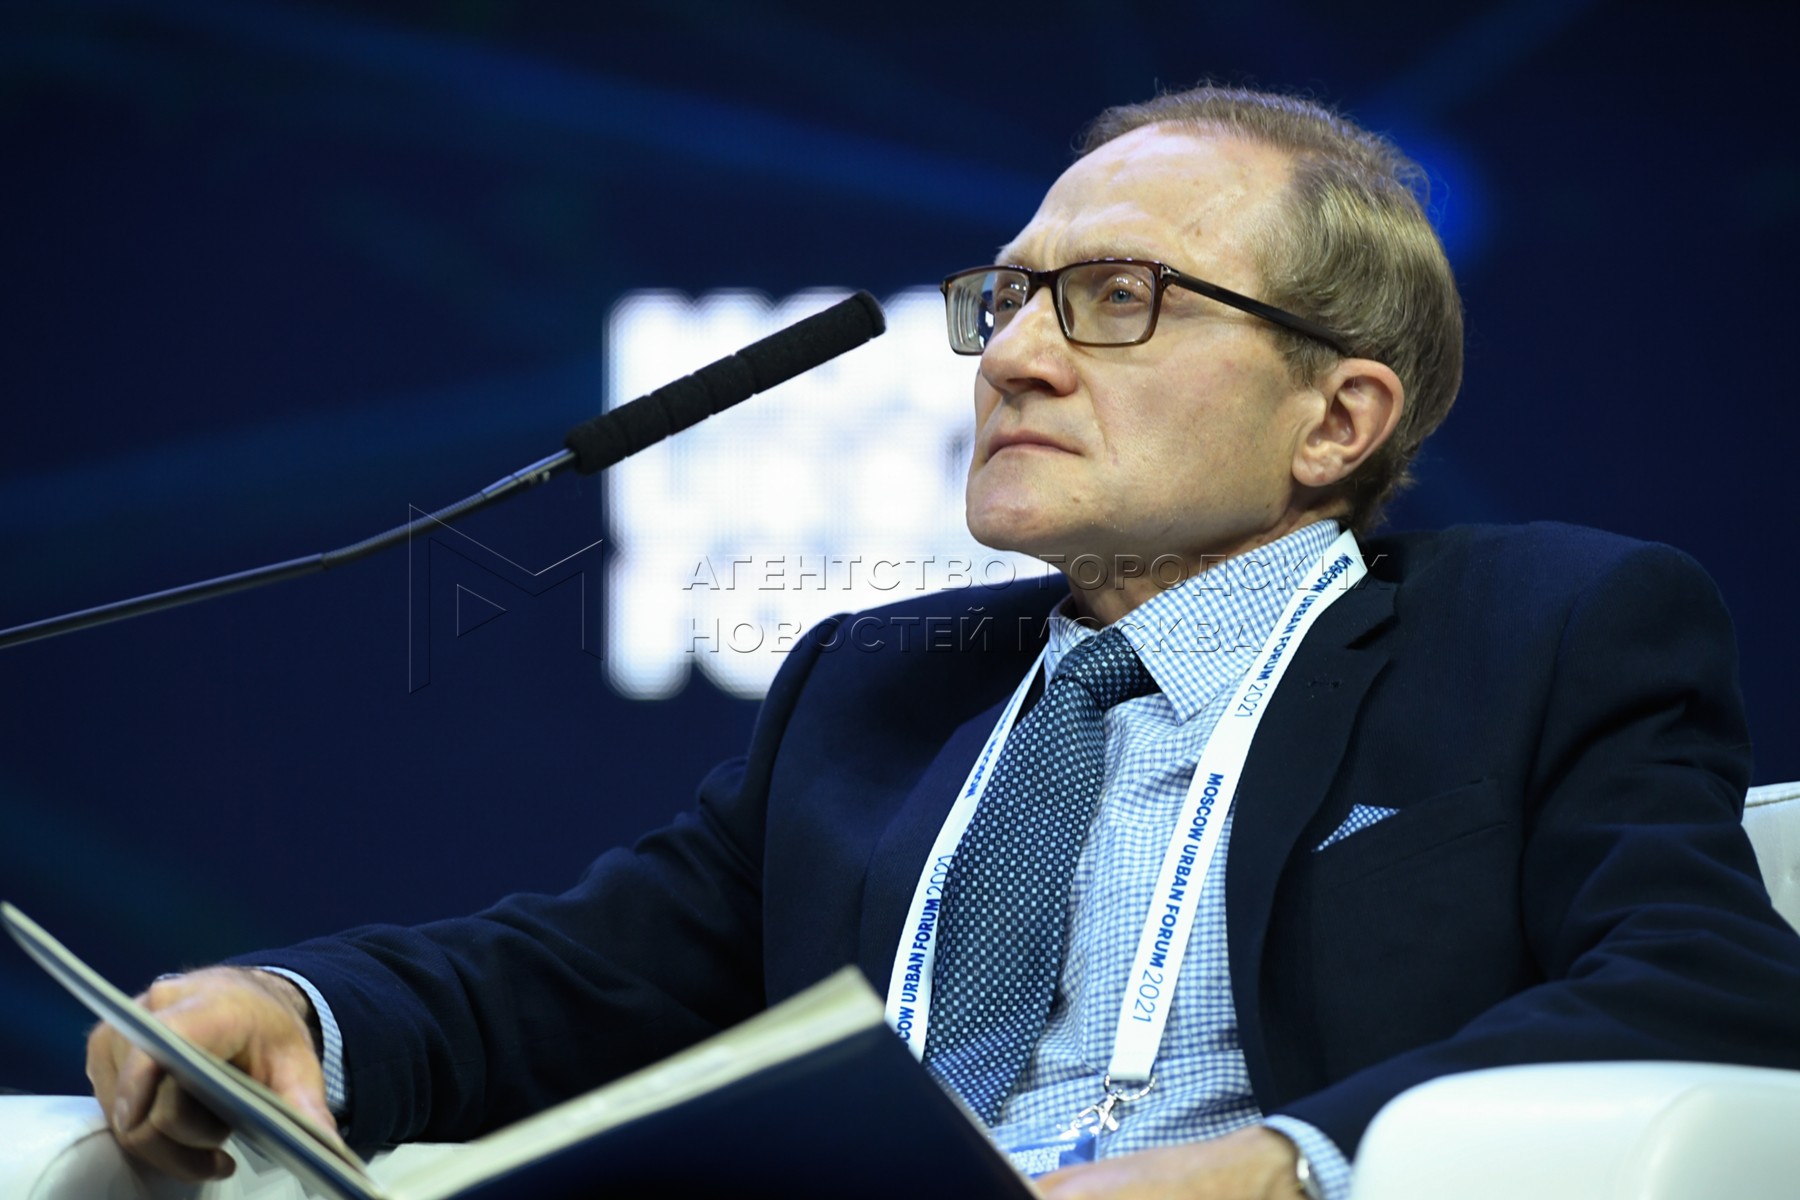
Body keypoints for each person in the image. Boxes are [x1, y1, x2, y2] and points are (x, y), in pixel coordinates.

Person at [86, 85, 1800, 1200]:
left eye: (1119, 300)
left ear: (1336, 420)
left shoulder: (1542, 632)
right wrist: (290, 1003)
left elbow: (1704, 976)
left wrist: (1282, 1163)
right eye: (1012, 298)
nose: (1018, 357)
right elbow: (576, 975)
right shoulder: (880, 685)